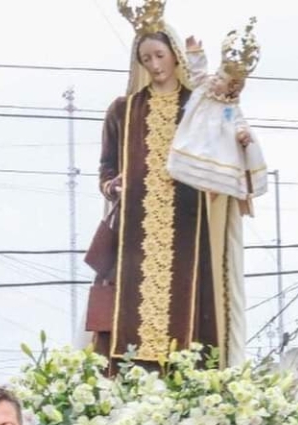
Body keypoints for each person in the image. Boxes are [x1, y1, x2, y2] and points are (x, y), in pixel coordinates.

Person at [91, 1, 245, 369]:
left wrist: (238, 143)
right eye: (146, 58)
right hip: (135, 233)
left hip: (189, 225)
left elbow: (222, 137)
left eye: (160, 55)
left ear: (175, 55)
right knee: (131, 312)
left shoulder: (196, 104)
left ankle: (193, 384)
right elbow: (106, 168)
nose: (155, 66)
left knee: (191, 305)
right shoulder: (122, 110)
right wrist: (113, 187)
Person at [167, 20, 267, 212]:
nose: (215, 80)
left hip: (216, 146)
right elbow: (197, 72)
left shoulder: (229, 108)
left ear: (232, 87)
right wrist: (194, 51)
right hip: (195, 138)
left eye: (221, 79)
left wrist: (242, 135)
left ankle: (211, 193)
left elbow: (238, 122)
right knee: (189, 158)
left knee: (219, 167)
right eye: (217, 75)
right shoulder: (205, 87)